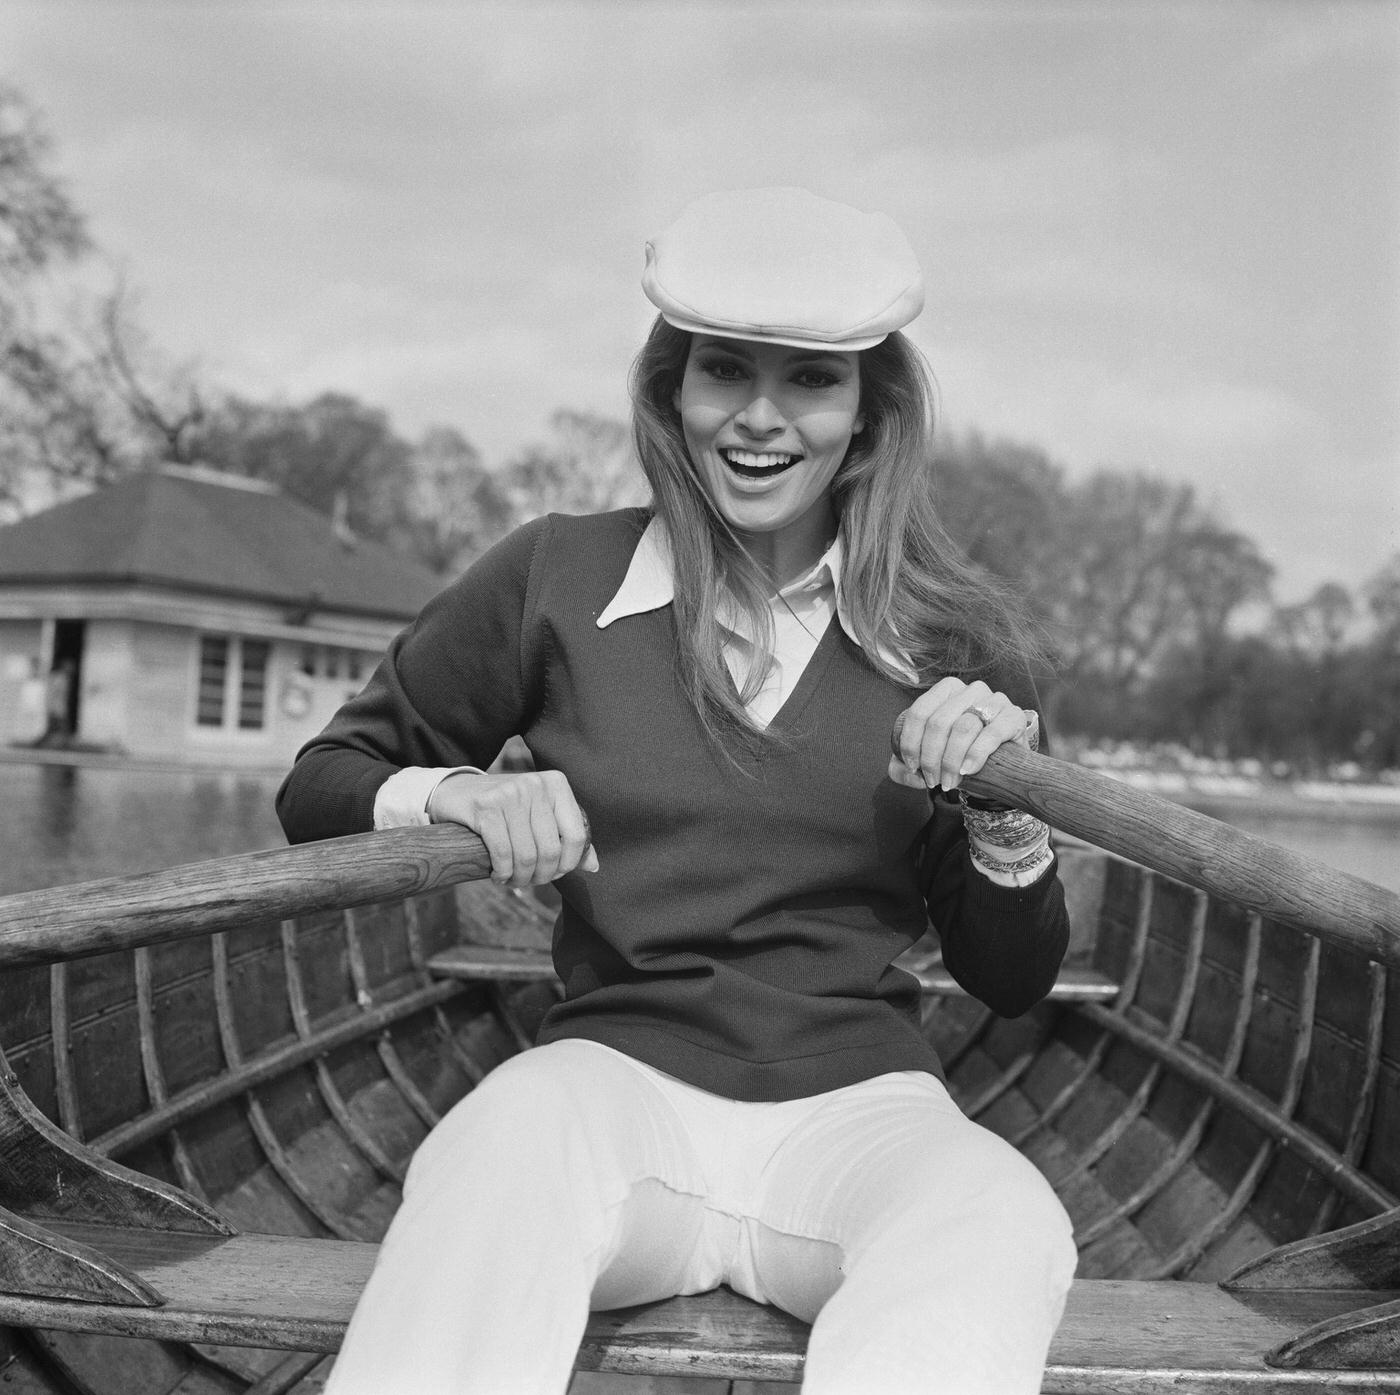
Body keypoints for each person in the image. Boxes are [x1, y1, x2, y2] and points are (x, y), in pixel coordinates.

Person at [277, 187, 1077, 1395]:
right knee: (498, 1145)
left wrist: (1004, 814)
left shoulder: (959, 639)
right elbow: (321, 784)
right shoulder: (552, 573)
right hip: (614, 1090)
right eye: (723, 373)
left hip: (860, 1114)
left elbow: (1009, 984)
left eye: (810, 379)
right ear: (672, 391)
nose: (759, 418)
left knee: (1003, 1218)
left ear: (869, 413)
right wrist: (453, 795)